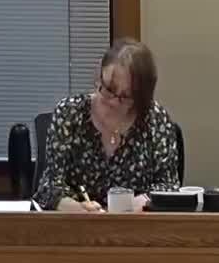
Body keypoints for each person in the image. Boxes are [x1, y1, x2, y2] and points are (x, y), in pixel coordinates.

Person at [33, 39, 181, 212]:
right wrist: (78, 209)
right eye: (109, 89)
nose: (114, 102)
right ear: (99, 75)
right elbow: (49, 187)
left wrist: (140, 203)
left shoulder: (155, 120)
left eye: (126, 96)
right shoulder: (69, 113)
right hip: (77, 223)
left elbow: (169, 186)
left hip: (137, 223)